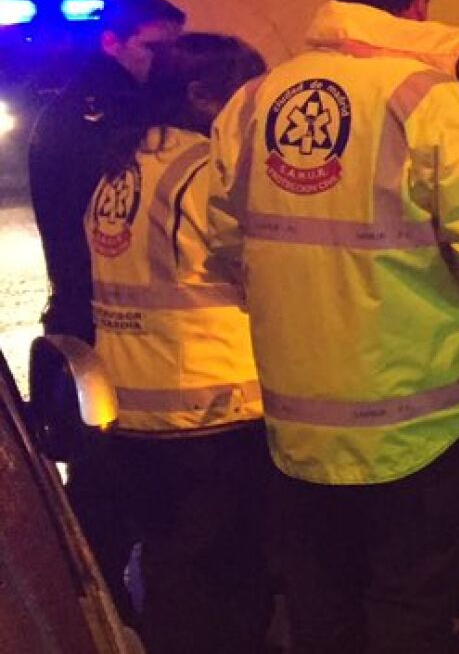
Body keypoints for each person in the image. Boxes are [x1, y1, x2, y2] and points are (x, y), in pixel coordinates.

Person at [207, 0, 459, 654]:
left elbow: (227, 245)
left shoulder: (254, 102)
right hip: (415, 434)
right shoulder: (433, 101)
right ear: (422, 1)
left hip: (296, 435)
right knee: (408, 616)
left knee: (322, 618)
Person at [85, 33, 272, 654]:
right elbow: (265, 275)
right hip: (214, 410)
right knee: (226, 583)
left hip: (134, 412)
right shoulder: (206, 173)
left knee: (171, 569)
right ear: (202, 97)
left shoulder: (121, 166)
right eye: (246, 98)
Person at [27, 0, 184, 615]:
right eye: (156, 48)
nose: (169, 61)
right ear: (112, 42)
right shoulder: (98, 116)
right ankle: (101, 611)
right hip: (97, 321)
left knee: (110, 479)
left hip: (96, 317)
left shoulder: (99, 104)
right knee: (106, 480)